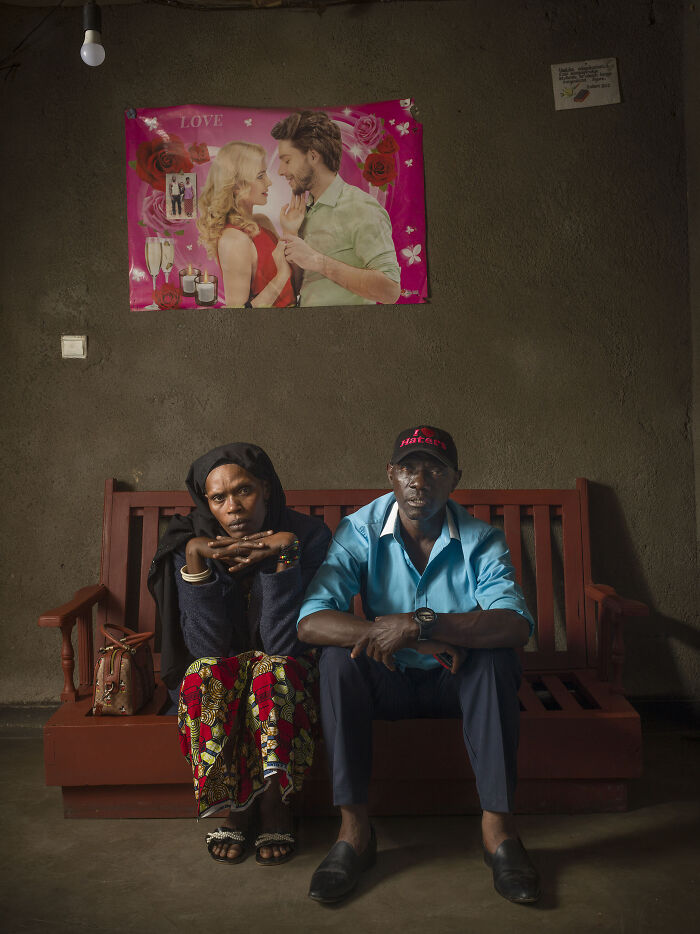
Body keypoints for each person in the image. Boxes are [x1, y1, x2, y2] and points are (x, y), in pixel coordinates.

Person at [297, 426, 541, 904]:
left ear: (454, 479)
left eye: (435, 468)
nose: (419, 479)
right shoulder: (359, 531)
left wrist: (420, 624)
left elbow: (514, 624)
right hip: (387, 679)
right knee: (334, 662)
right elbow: (311, 620)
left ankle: (498, 833)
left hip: (456, 682)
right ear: (391, 474)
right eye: (408, 467)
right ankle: (354, 833)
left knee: (495, 659)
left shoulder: (481, 539)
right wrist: (383, 632)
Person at [148, 443, 331, 865]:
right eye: (218, 498)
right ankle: (237, 803)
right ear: (206, 503)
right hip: (223, 671)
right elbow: (206, 650)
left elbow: (284, 644)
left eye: (244, 491)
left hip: (289, 673)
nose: (233, 508)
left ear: (266, 489)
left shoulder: (308, 536)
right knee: (206, 674)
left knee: (272, 672)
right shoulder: (189, 542)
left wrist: (284, 558)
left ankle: (272, 804)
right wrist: (195, 560)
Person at [271, 111, 401, 306]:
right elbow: (297, 290)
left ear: (313, 156)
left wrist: (319, 262)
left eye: (287, 160)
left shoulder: (361, 207)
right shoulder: (303, 212)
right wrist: (291, 233)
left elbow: (390, 291)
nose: (280, 170)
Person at [196, 141, 306, 308]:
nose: (269, 182)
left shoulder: (262, 222)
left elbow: (295, 288)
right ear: (236, 186)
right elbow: (239, 316)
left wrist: (290, 232)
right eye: (260, 176)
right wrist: (282, 274)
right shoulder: (234, 240)